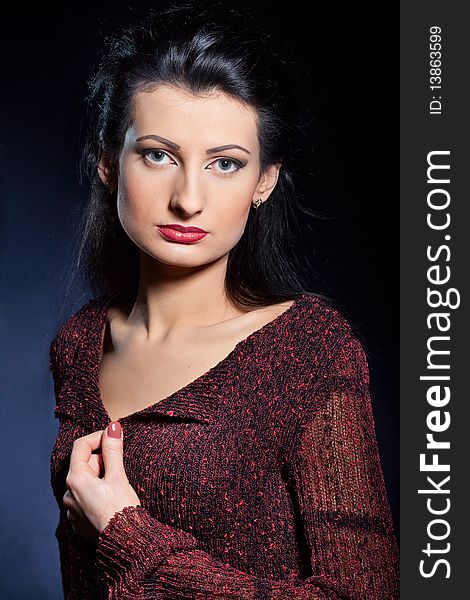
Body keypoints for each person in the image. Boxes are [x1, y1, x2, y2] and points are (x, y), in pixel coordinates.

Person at [49, 1, 400, 598]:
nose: (188, 199)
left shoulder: (306, 349)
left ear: (264, 181)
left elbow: (364, 593)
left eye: (225, 164)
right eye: (158, 155)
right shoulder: (79, 346)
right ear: (110, 162)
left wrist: (126, 537)